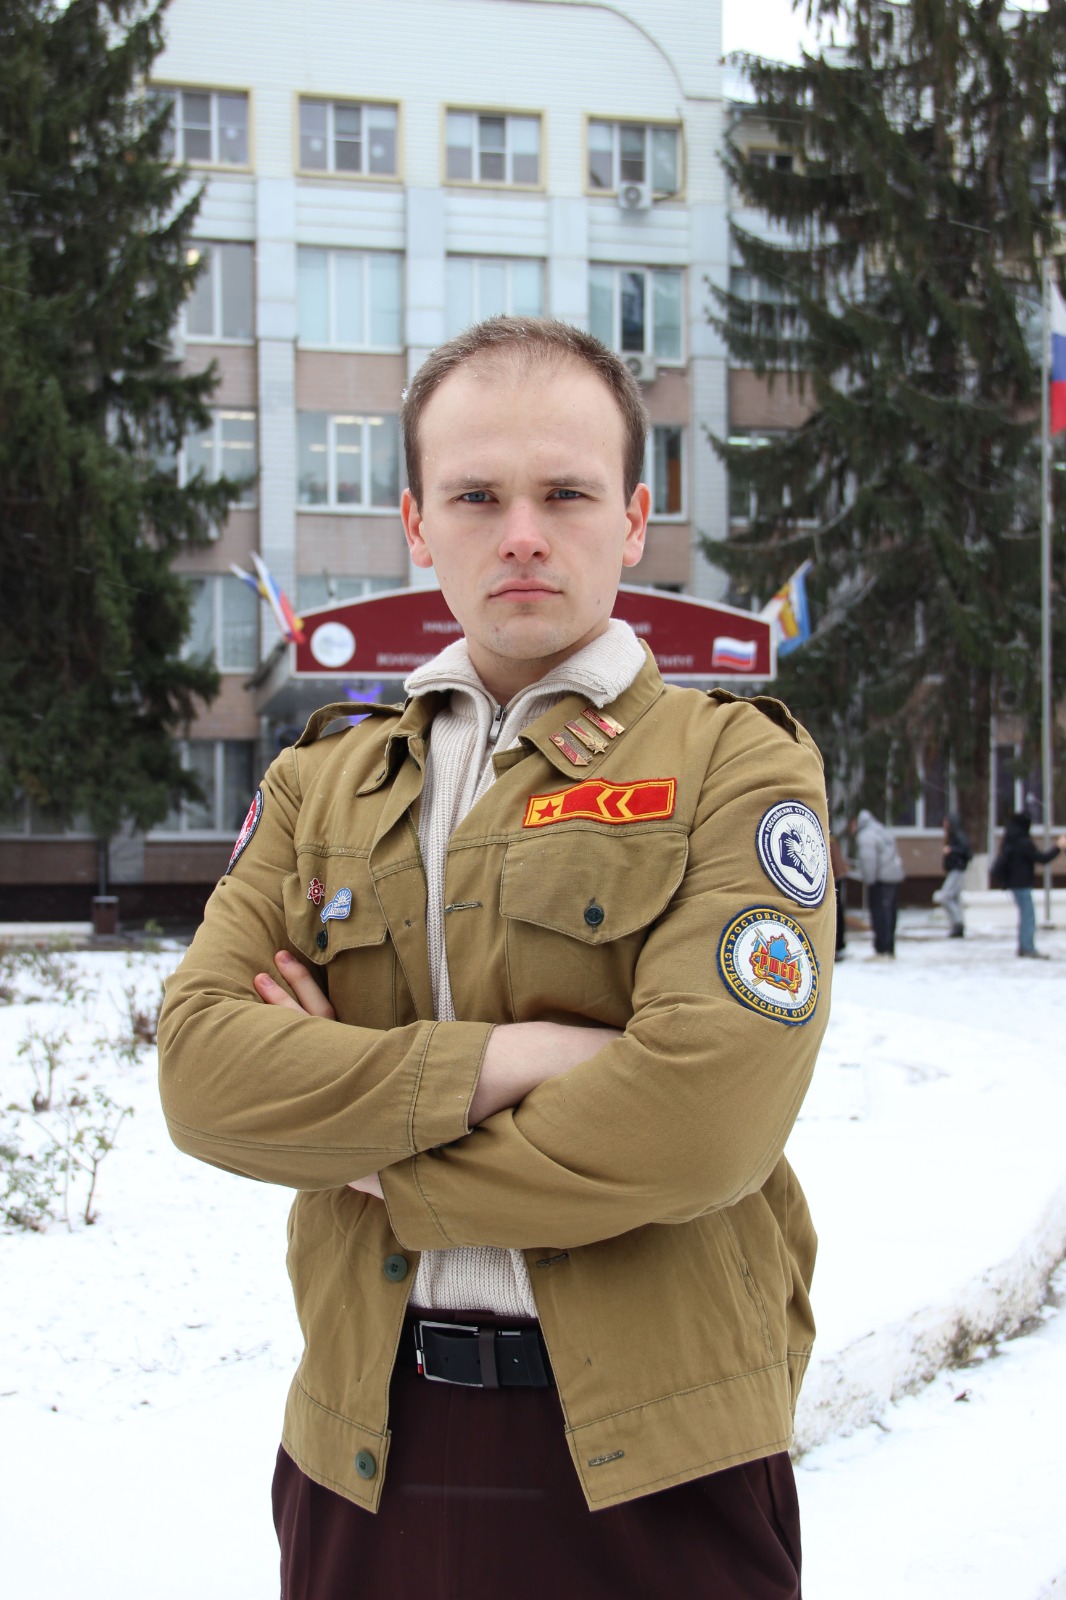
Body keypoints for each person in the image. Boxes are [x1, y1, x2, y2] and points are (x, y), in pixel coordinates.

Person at [158, 317, 835, 1600]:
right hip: (365, 1444)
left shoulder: (733, 763)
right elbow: (201, 1072)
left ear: (632, 518)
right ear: (418, 524)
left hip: (659, 1463)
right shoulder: (320, 782)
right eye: (476, 496)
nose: (521, 532)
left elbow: (703, 1122)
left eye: (564, 493)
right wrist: (521, 1056)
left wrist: (370, 1152)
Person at [995, 811, 1066, 959]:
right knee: (1028, 917)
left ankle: (1024, 946)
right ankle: (1028, 947)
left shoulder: (1011, 841)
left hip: (1014, 884)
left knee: (1025, 916)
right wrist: (1058, 847)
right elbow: (1042, 858)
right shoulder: (1023, 843)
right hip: (1022, 884)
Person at [851, 808, 905, 957]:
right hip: (893, 876)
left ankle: (882, 947)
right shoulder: (881, 829)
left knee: (880, 914)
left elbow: (869, 859)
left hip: (880, 880)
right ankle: (889, 946)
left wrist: (869, 880)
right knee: (890, 913)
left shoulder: (865, 835)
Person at [932, 814, 971, 938]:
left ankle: (957, 922)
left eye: (946, 822)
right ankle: (957, 925)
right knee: (955, 898)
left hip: (957, 870)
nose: (944, 825)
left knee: (945, 896)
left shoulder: (958, 836)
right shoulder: (952, 837)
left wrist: (952, 850)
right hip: (953, 870)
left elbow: (967, 852)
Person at [829, 832, 849, 959]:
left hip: (833, 877)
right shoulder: (832, 838)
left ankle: (836, 946)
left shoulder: (828, 838)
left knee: (835, 912)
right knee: (838, 911)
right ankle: (838, 945)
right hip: (837, 876)